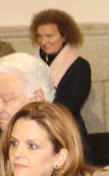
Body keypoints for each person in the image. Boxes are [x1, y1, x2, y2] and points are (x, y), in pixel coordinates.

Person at [30, 8, 93, 139]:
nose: (43, 42)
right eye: (39, 36)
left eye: (49, 36)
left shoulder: (79, 67)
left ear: (64, 36)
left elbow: (67, 108)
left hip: (66, 132)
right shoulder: (31, 62)